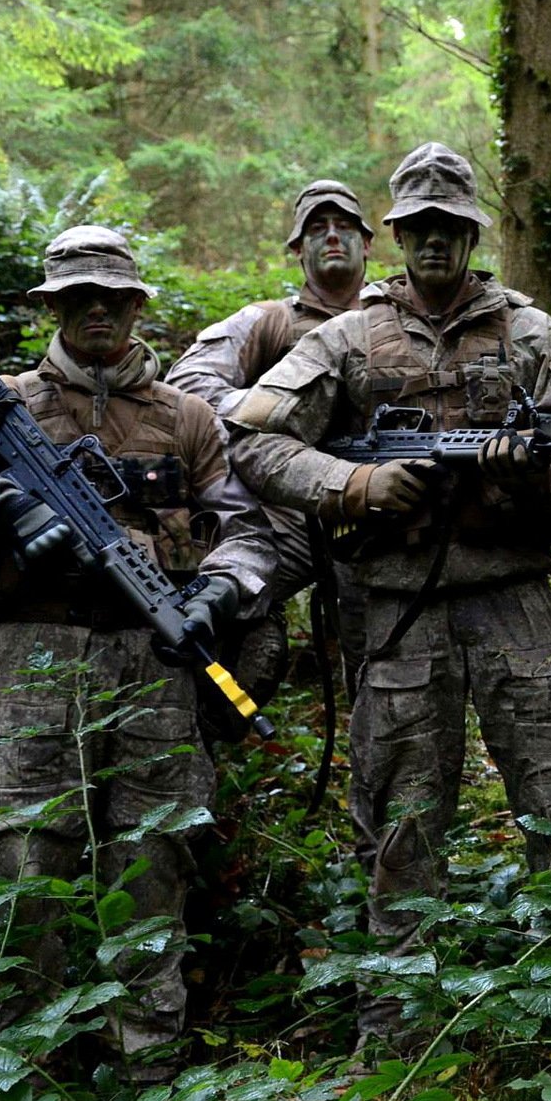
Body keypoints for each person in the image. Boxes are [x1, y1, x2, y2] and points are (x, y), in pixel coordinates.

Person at [219, 142, 551, 1046]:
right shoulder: (346, 337)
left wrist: (546, 479)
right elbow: (247, 439)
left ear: (472, 232)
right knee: (403, 817)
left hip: (514, 599)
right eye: (420, 227)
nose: (436, 242)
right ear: (397, 234)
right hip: (398, 610)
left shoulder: (529, 332)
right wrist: (352, 485)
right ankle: (399, 1027)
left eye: (452, 226)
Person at [0, 225, 275, 1077]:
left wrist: (219, 589)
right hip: (28, 666)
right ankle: (14, 1094)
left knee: (151, 874)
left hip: (153, 667)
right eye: (76, 297)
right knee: (18, 873)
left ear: (136, 306)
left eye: (112, 298)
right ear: (50, 306)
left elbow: (251, 532)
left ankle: (146, 1079)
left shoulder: (189, 418)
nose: (96, 312)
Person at [169, 179, 375, 723]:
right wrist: (278, 407)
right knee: (219, 607)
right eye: (316, 228)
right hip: (286, 514)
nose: (332, 237)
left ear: (369, 243)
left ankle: (385, 788)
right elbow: (188, 385)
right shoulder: (268, 321)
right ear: (297, 249)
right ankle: (200, 729)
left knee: (385, 668)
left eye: (345, 227)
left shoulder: (396, 321)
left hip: (378, 510)